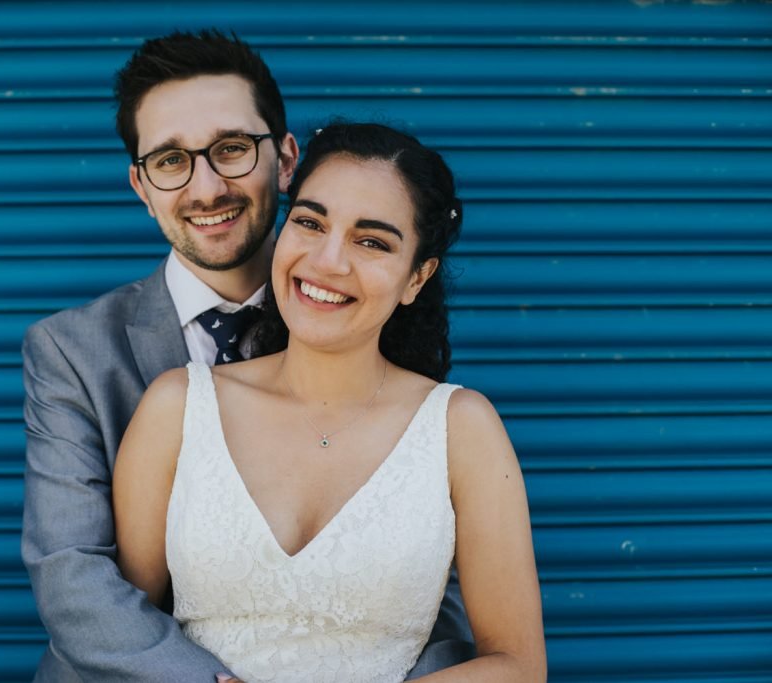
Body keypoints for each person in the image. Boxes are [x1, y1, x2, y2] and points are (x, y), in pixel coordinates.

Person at [21, 31, 474, 682]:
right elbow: (73, 575)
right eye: (171, 160)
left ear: (286, 160)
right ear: (141, 185)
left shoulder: (356, 314)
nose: (206, 188)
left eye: (231, 149)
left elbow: (420, 566)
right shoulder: (71, 349)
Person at [112, 123, 547, 682]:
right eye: (310, 222)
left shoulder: (459, 427)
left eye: (371, 242)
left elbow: (518, 666)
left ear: (417, 277)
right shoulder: (178, 407)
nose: (327, 261)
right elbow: (121, 630)